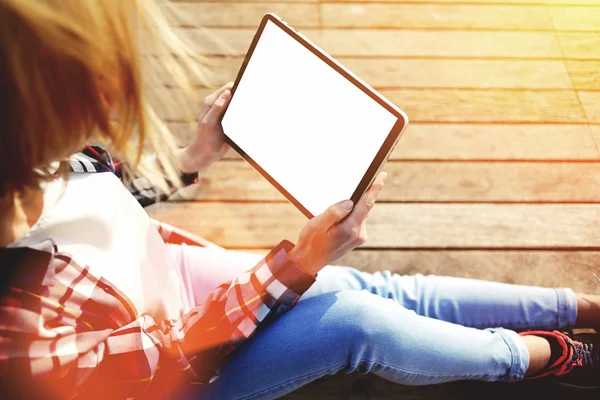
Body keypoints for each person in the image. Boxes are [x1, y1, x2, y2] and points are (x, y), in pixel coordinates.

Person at [0, 0, 598, 399]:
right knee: (359, 322)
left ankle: (576, 305)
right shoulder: (16, 328)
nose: (108, 105)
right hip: (179, 370)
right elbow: (175, 354)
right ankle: (544, 355)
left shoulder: (26, 159)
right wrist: (300, 261)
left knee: (372, 289)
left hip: (167, 274)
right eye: (87, 90)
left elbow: (99, 188)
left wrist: (192, 160)